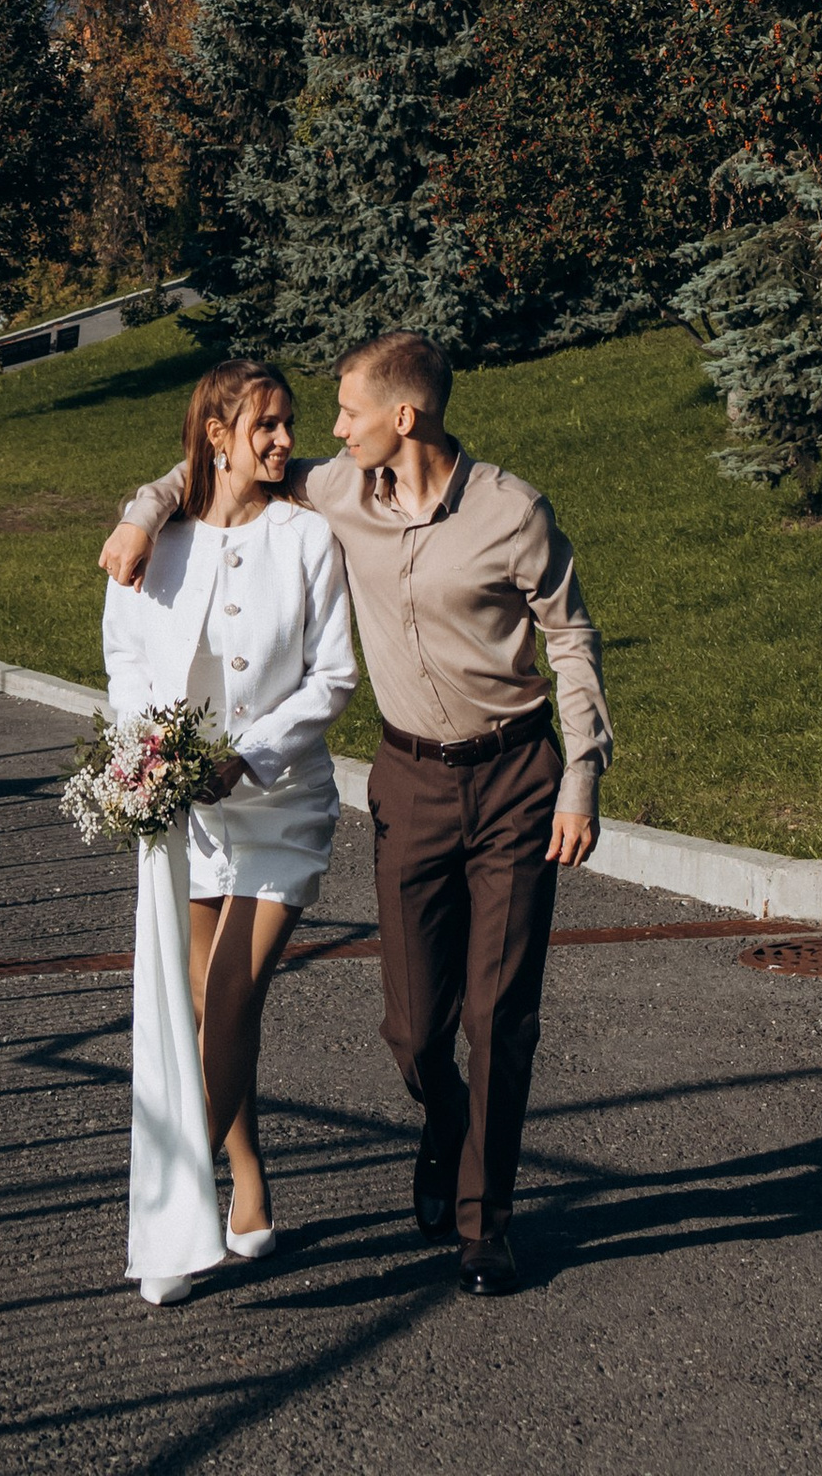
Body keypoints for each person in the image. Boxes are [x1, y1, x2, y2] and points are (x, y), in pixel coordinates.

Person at [102, 328, 610, 1299]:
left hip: (513, 775)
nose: (322, 433)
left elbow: (572, 638)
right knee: (413, 1031)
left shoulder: (509, 512)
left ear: (402, 417)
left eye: (342, 413)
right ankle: (441, 1123)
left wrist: (580, 777)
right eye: (306, 419)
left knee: (497, 1013)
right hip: (410, 782)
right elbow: (209, 469)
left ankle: (484, 1226)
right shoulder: (341, 492)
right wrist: (140, 514)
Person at [101, 357, 355, 1304]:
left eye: (289, 423)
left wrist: (247, 755)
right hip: (187, 811)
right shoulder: (155, 541)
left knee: (235, 1000)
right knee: (209, 1007)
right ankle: (249, 1180)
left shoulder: (308, 537)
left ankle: (178, 1215)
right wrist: (153, 759)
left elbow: (333, 677)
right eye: (266, 426)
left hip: (279, 801)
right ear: (218, 436)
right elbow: (126, 658)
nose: (286, 441)